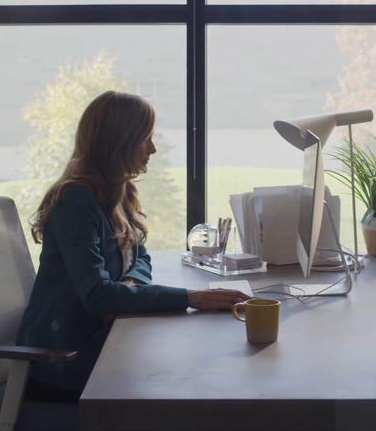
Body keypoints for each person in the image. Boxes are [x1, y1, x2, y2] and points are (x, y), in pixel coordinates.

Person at [17, 90, 250, 402]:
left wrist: (127, 286)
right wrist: (193, 298)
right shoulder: (76, 200)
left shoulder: (117, 193)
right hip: (65, 360)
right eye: (145, 138)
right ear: (118, 143)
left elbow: (140, 256)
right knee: (191, 383)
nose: (152, 149)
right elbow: (98, 296)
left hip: (103, 342)